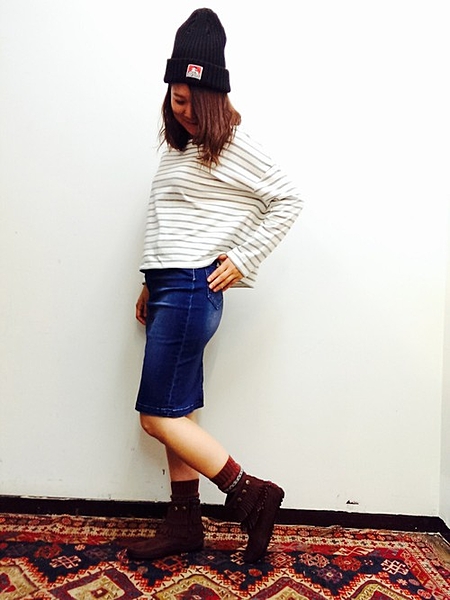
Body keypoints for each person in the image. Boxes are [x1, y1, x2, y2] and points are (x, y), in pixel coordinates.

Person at [126, 8, 303, 564]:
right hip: (170, 286)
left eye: (190, 103)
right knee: (177, 413)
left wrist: (244, 258)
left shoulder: (232, 144)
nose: (182, 110)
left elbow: (288, 198)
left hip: (190, 288)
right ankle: (184, 524)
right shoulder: (177, 146)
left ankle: (250, 494)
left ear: (213, 98)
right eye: (175, 99)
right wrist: (149, 281)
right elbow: (170, 220)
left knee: (156, 417)